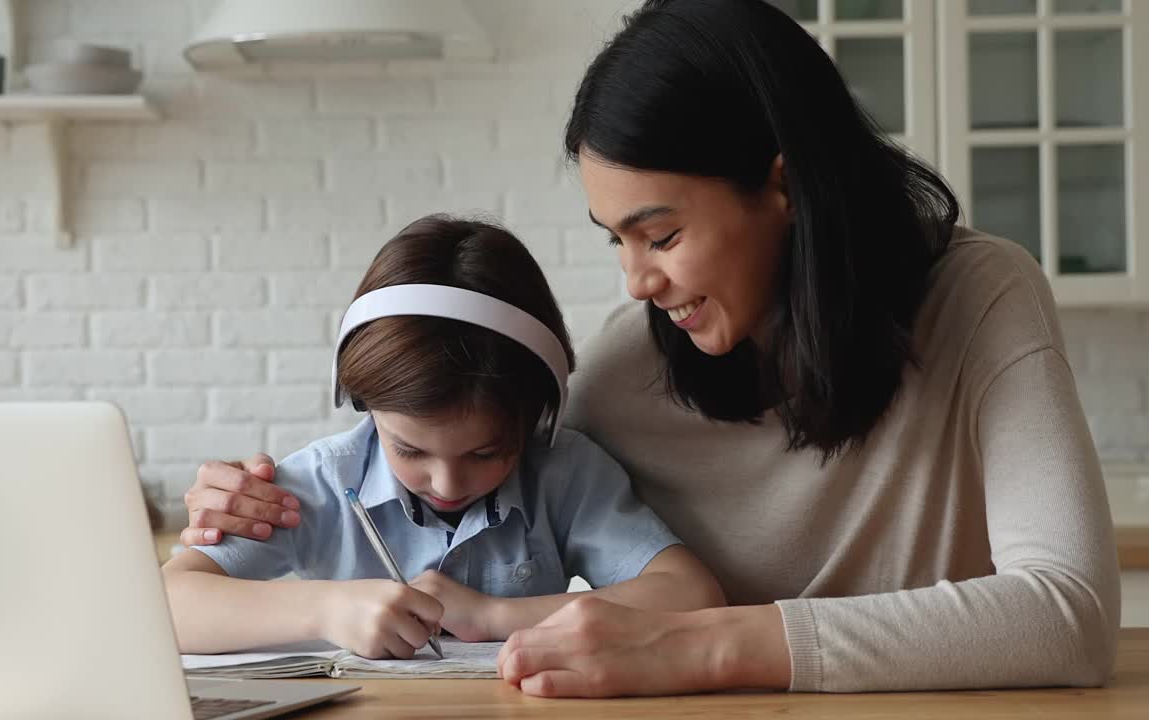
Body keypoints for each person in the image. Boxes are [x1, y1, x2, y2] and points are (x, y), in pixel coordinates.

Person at [175, 0, 1119, 698]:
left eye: (661, 237)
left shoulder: (978, 294)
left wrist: (702, 645)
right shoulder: (621, 380)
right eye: (614, 239)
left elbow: (1067, 617)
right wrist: (234, 510)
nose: (635, 284)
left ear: (782, 187)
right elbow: (463, 447)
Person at [161, 215, 725, 658]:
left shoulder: (564, 473)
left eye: (487, 452)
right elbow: (164, 606)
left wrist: (493, 618)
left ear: (534, 418)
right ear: (361, 402)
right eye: (409, 449)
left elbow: (691, 595)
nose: (448, 481)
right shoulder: (321, 483)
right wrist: (326, 608)